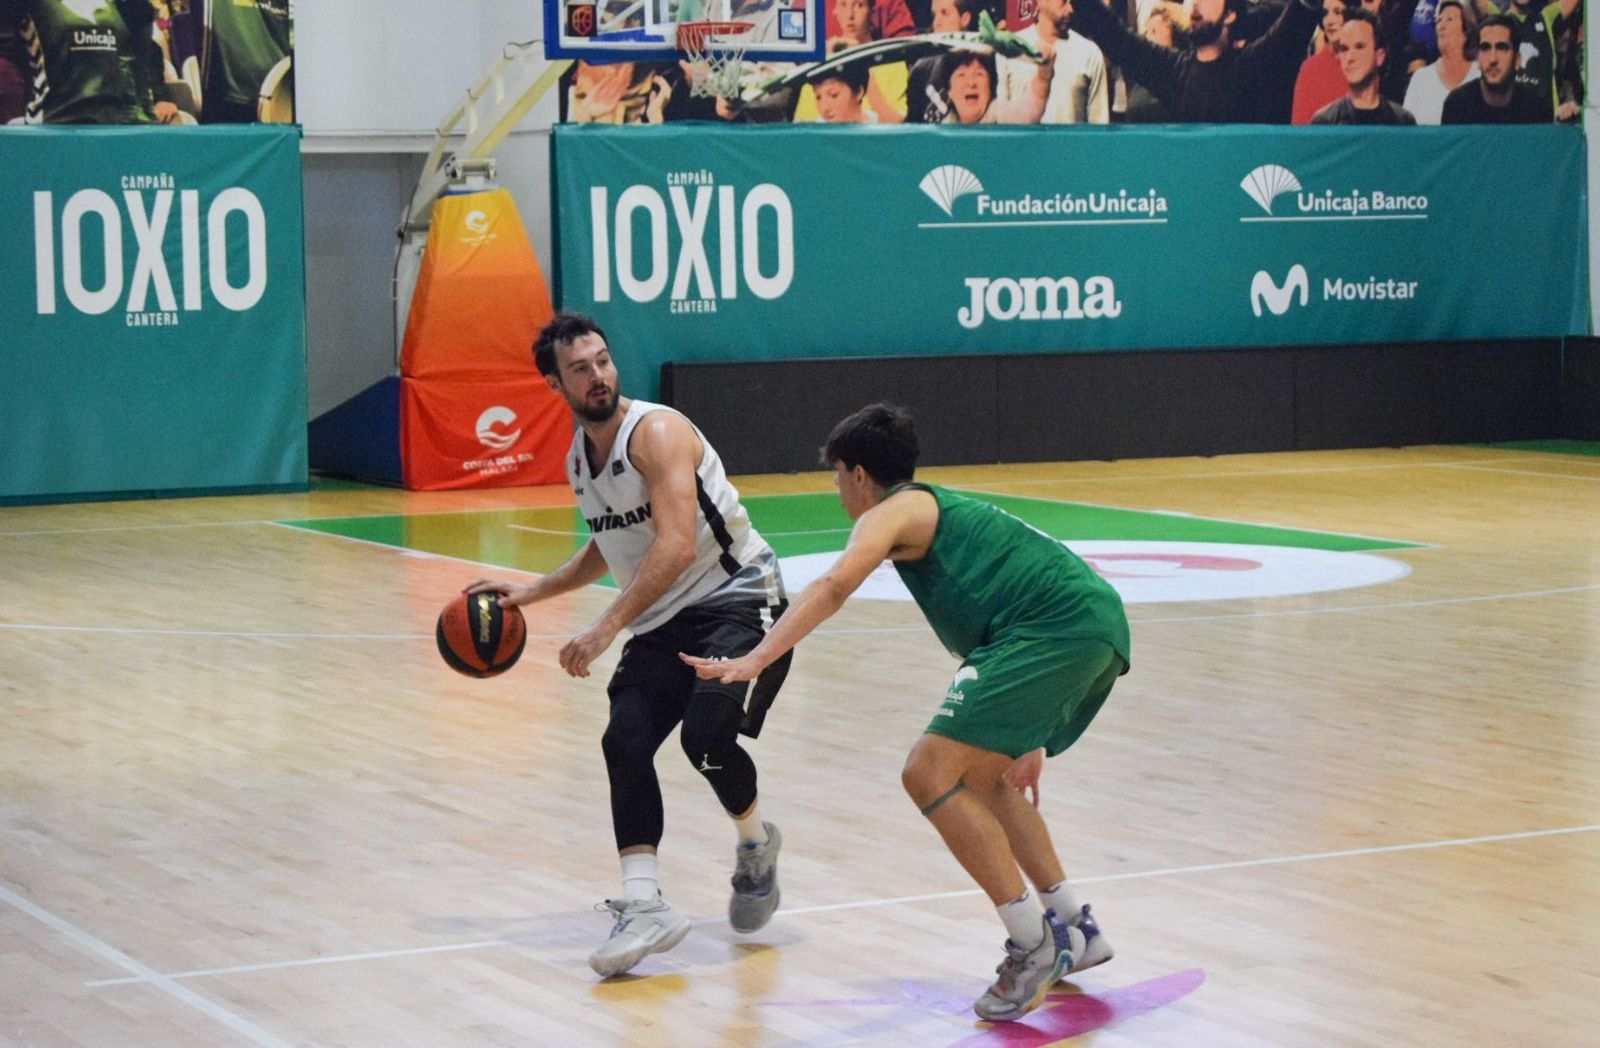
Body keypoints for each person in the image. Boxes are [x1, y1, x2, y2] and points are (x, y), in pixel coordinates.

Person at [682, 404, 1131, 1022]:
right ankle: (1075, 927)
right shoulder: (933, 510)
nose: (838, 491)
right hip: (1087, 625)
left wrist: (757, 657)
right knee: (984, 779)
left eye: (837, 477)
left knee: (926, 773)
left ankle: (1033, 943)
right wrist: (1029, 726)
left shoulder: (896, 510)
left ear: (859, 474)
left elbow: (833, 585)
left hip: (1051, 631)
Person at [468, 313, 792, 979]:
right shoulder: (578, 462)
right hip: (666, 616)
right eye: (580, 368)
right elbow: (611, 544)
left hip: (736, 595)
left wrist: (607, 625)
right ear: (554, 384)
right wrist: (532, 594)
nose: (598, 375)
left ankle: (757, 846)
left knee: (704, 737)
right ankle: (644, 905)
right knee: (624, 739)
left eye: (603, 361)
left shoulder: (658, 432)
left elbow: (674, 543)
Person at [1068, 0, 1322, 123]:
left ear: (1230, 14)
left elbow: (1296, 24)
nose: (1196, 5)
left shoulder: (1253, 67)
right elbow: (1114, 35)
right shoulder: (1174, 72)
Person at [996, 0, 1112, 123]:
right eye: (1064, 2)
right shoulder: (1010, 49)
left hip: (1071, 142)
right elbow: (1000, 122)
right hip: (1024, 141)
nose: (1070, 9)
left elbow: (1099, 125)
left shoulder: (1089, 53)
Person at [1311, 6, 1417, 120]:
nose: (1350, 57)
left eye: (1359, 47)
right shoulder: (1324, 121)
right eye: (1344, 49)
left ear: (1379, 57)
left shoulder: (1402, 120)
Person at [1441, 13, 1551, 121]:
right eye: (1485, 48)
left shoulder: (1537, 110)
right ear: (1478, 59)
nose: (1492, 59)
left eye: (1502, 48)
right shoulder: (1457, 106)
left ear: (1517, 60)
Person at [1401, 0, 1477, 123]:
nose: (1441, 26)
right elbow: (1407, 130)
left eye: (1449, 19)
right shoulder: (1421, 78)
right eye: (1439, 20)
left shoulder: (1479, 75)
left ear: (1466, 32)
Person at [1291, 0, 1349, 123]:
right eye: (1325, 13)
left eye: (1338, 12)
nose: (1329, 21)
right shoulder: (1311, 68)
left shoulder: (1368, 62)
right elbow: (1300, 129)